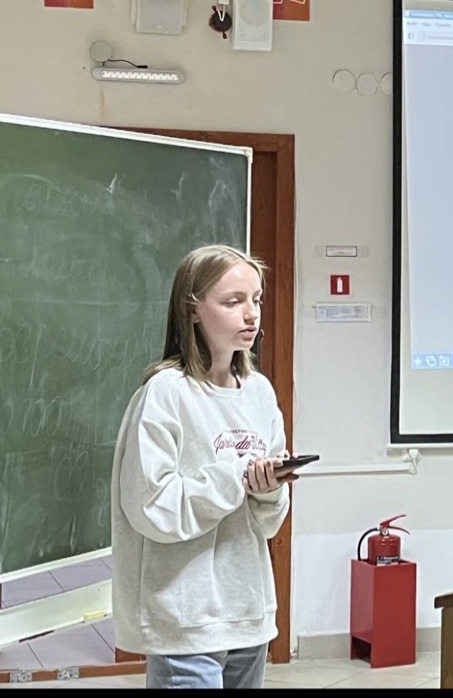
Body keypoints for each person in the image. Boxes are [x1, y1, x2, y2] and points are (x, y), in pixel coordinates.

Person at [110, 244, 296, 689]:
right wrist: (236, 476)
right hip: (185, 617)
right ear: (192, 310)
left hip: (247, 612)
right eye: (233, 302)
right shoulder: (166, 393)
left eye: (256, 300)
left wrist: (268, 488)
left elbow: (267, 522)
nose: (251, 314)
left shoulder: (259, 392)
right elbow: (152, 506)